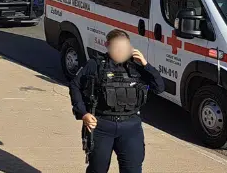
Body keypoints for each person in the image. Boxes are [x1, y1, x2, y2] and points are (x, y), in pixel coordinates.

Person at [69, 29, 163, 173]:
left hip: (130, 127)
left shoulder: (136, 67)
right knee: (97, 169)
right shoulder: (95, 64)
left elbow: (159, 87)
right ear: (107, 45)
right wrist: (83, 113)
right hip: (102, 125)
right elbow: (75, 85)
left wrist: (145, 64)